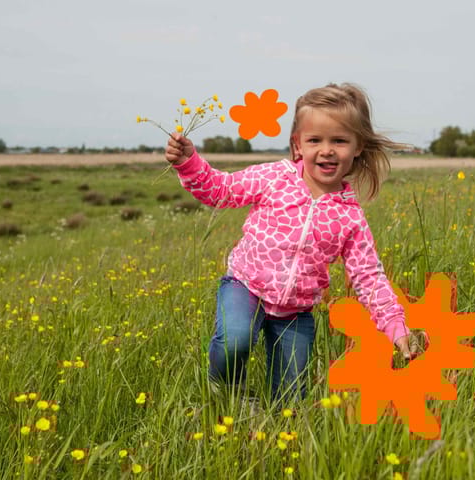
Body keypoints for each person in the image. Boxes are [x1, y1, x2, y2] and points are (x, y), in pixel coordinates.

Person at [164, 83, 417, 405]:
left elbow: (368, 277)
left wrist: (397, 326)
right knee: (236, 340)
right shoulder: (274, 178)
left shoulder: (350, 218)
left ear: (358, 147)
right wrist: (189, 163)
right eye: (315, 140)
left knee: (290, 400)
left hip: (295, 311)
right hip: (246, 285)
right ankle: (225, 391)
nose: (326, 150)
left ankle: (274, 436)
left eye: (339, 140)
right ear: (298, 145)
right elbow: (220, 190)